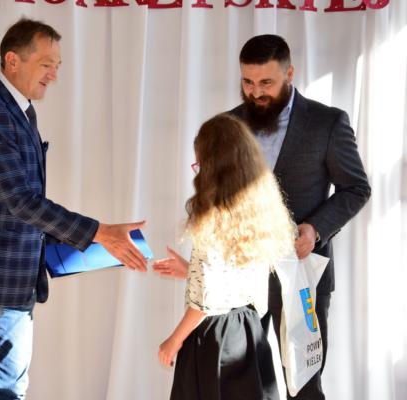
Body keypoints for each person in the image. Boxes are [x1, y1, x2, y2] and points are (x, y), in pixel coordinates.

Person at [0, 18, 147, 399]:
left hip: (15, 282)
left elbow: (21, 203)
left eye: (57, 66)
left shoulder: (19, 110)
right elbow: (20, 200)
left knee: (11, 390)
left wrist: (84, 241)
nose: (54, 75)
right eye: (46, 64)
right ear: (13, 60)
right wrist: (99, 233)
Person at [156, 35, 371, 399]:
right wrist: (196, 268)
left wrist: (315, 230)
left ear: (289, 73)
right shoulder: (227, 125)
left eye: (266, 82)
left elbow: (356, 188)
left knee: (304, 386)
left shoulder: (328, 122)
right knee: (242, 388)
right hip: (241, 293)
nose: (256, 92)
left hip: (302, 277)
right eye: (248, 82)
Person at [156, 113, 296, 400]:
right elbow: (236, 276)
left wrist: (173, 340)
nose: (198, 173)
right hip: (248, 330)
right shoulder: (257, 210)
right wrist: (191, 269)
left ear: (214, 166)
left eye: (200, 165)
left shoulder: (214, 215)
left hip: (215, 338)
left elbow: (206, 301)